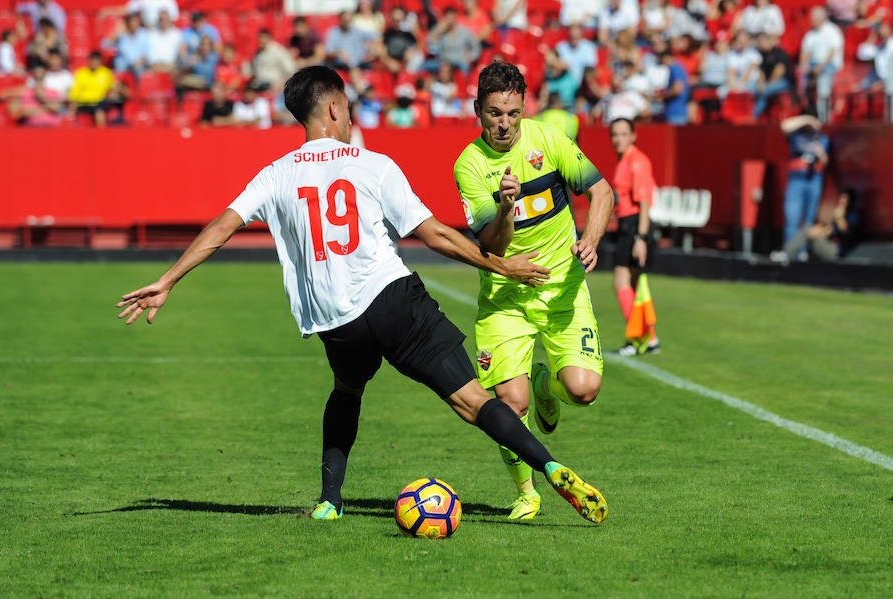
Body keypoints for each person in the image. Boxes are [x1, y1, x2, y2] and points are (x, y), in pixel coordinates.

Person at [117, 65, 608, 525]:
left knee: (347, 390)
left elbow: (222, 229)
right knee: (473, 401)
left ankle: (330, 501)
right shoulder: (373, 165)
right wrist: (502, 265)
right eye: (348, 106)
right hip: (393, 302)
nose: (351, 116)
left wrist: (168, 279)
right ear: (333, 108)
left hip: (337, 321)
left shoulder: (276, 174)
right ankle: (550, 468)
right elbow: (435, 236)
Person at [453, 61, 614, 520]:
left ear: (524, 108)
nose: (504, 124)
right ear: (478, 110)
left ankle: (547, 382)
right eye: (494, 113)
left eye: (513, 112)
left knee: (583, 391)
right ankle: (526, 493)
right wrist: (505, 206)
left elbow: (601, 192)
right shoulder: (470, 166)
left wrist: (591, 240)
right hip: (506, 295)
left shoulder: (549, 140)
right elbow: (491, 245)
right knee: (510, 402)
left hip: (562, 288)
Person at [608, 118, 660, 356]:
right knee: (634, 285)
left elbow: (644, 203)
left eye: (623, 134)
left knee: (622, 282)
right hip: (628, 225)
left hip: (634, 226)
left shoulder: (637, 161)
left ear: (633, 135)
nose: (618, 139)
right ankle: (649, 338)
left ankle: (640, 336)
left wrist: (640, 237)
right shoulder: (625, 161)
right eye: (614, 134)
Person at [770, 188, 862, 264]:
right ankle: (795, 254)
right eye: (841, 198)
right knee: (808, 228)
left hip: (840, 253)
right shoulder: (840, 213)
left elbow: (846, 231)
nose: (842, 201)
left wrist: (839, 218)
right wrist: (821, 230)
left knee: (807, 230)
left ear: (851, 200)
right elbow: (831, 232)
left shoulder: (854, 215)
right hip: (830, 246)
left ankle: (787, 254)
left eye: (845, 199)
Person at [780, 113, 829, 246]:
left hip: (814, 179)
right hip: (796, 180)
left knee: (808, 220)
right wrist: (805, 119)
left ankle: (803, 252)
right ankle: (790, 251)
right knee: (792, 217)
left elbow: (825, 161)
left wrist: (820, 153)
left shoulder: (822, 139)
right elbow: (784, 126)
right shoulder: (796, 136)